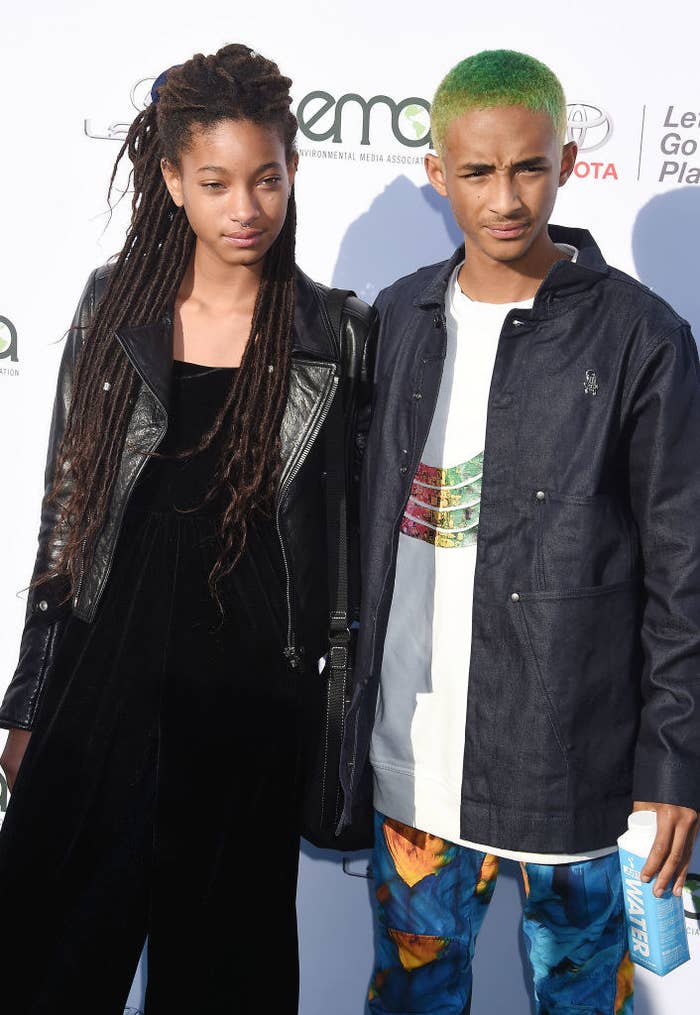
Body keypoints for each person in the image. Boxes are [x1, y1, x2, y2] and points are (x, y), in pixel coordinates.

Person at [0, 43, 376, 1015]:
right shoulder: (114, 306)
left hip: (247, 704)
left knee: (226, 975)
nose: (244, 207)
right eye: (214, 183)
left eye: (266, 178)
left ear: (293, 170)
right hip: (102, 681)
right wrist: (32, 695)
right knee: (44, 955)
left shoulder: (332, 336)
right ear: (172, 180)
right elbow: (67, 508)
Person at [337, 49, 700, 1013]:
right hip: (411, 756)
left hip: (571, 764)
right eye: (478, 171)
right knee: (411, 997)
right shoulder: (401, 317)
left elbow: (682, 568)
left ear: (569, 160)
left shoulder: (642, 336)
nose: (506, 197)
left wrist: (672, 761)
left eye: (529, 166)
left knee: (582, 1002)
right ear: (437, 175)